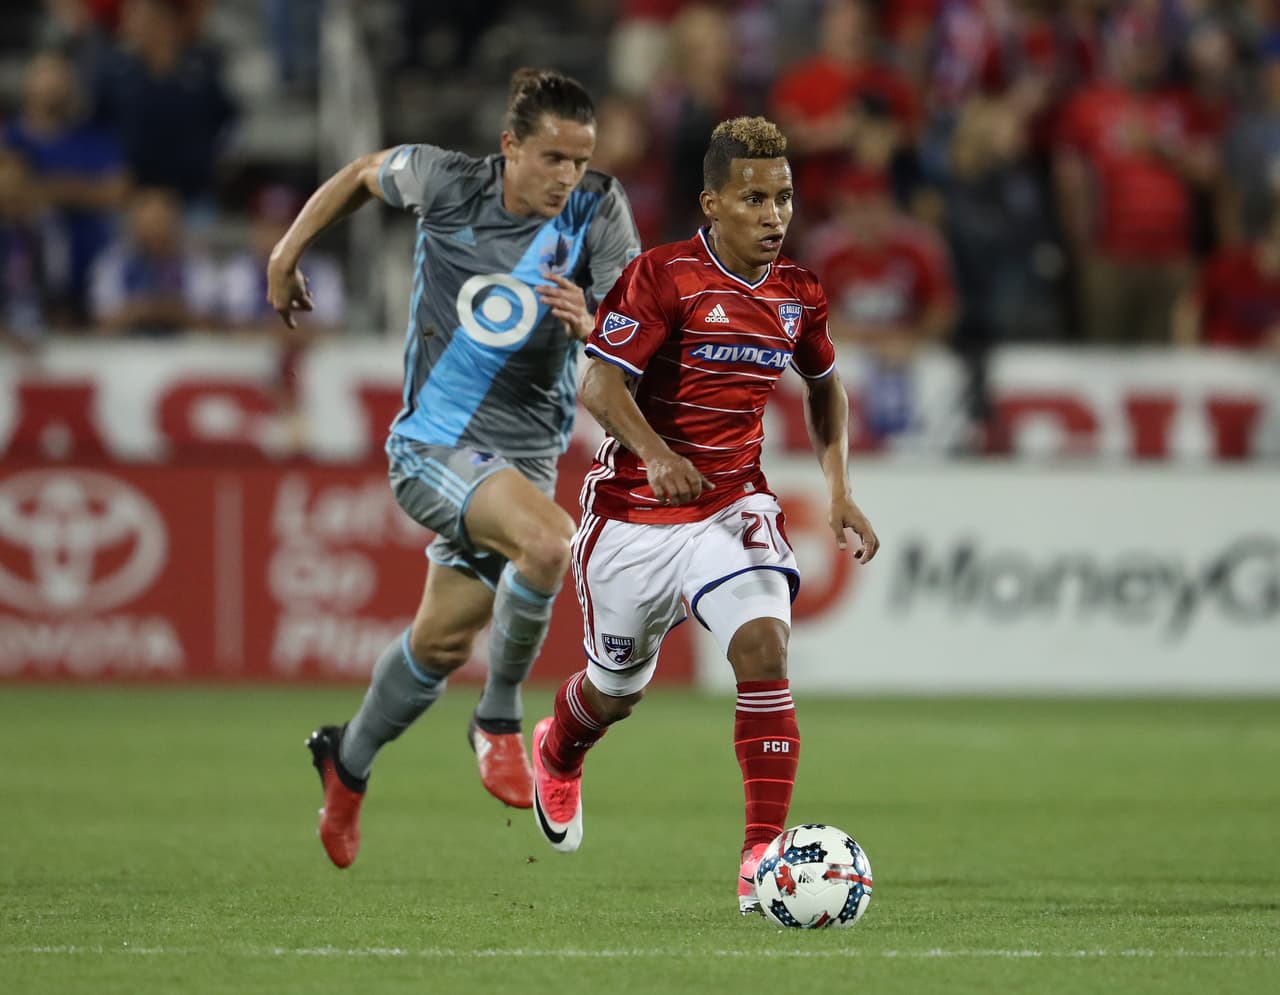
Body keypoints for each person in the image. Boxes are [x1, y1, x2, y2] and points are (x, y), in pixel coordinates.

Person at [266, 68, 640, 869]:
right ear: (509, 147)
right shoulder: (445, 181)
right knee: (548, 544)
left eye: (580, 160)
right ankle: (499, 718)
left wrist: (596, 324)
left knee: (438, 643)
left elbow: (636, 336)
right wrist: (289, 249)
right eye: (551, 158)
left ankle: (348, 759)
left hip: (521, 460)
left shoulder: (599, 209)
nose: (567, 177)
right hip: (432, 444)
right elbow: (362, 174)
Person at [526, 117, 879, 917]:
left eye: (784, 197)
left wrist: (840, 486)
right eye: (754, 198)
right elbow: (601, 387)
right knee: (614, 691)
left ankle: (761, 859)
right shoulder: (663, 277)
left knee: (762, 644)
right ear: (711, 203)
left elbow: (825, 388)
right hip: (632, 515)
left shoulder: (798, 294)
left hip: (731, 505)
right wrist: (654, 453)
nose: (773, 214)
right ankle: (558, 747)